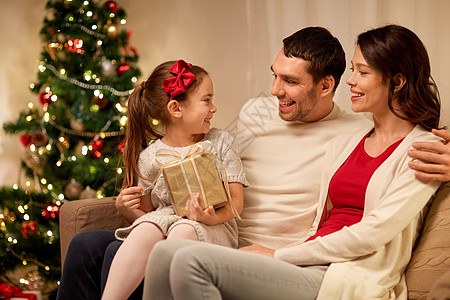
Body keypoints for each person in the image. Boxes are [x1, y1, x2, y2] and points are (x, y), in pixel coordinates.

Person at [56, 27, 450, 300]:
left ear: (326, 86)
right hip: (220, 233)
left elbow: (401, 146)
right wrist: (151, 202)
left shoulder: (353, 130)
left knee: (126, 254)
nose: (276, 91)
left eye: (291, 82)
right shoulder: (261, 112)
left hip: (274, 251)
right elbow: (203, 150)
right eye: (274, 76)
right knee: (88, 244)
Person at [93, 59, 247, 300]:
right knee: (145, 229)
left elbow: (236, 203)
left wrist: (209, 216)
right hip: (167, 221)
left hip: (214, 226)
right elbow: (148, 215)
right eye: (207, 100)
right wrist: (128, 210)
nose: (214, 108)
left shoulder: (220, 141)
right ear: (176, 109)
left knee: (182, 230)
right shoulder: (150, 157)